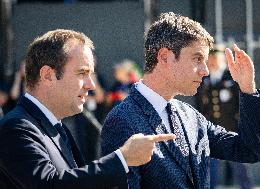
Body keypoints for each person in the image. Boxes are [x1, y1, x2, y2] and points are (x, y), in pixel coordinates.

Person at [101, 12, 260, 189]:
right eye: (197, 59)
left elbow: (249, 151)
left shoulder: (190, 116)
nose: (205, 70)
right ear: (164, 57)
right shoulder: (122, 121)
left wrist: (248, 88)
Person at [0, 29, 176, 189]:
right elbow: (50, 186)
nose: (91, 85)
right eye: (82, 73)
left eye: (90, 74)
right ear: (48, 75)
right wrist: (123, 159)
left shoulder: (55, 127)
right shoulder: (16, 127)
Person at [196, 45, 253, 189]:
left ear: (223, 59)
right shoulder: (204, 79)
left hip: (231, 129)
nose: (213, 61)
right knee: (209, 169)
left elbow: (242, 103)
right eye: (211, 58)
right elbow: (201, 105)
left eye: (216, 58)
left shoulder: (232, 77)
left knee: (239, 166)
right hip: (211, 131)